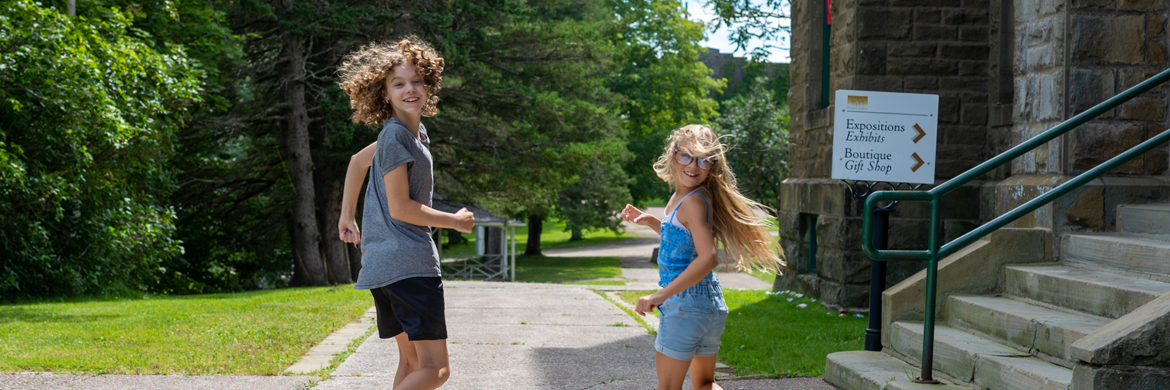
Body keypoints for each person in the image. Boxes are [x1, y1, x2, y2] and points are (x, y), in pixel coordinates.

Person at [336, 37, 474, 390]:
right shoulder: (396, 136)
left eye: (416, 81)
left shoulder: (408, 134)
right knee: (437, 369)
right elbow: (401, 208)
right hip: (409, 266)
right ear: (384, 94)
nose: (409, 89)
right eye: (398, 84)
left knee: (412, 363)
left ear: (428, 85)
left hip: (382, 267)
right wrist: (455, 222)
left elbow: (357, 162)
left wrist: (347, 215)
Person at [621, 125, 782, 390]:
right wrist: (651, 221)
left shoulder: (692, 201)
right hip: (709, 303)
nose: (693, 166)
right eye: (686, 156)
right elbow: (684, 241)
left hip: (685, 304)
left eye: (703, 160)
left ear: (713, 165)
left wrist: (659, 296)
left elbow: (708, 257)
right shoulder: (690, 196)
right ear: (673, 154)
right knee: (705, 384)